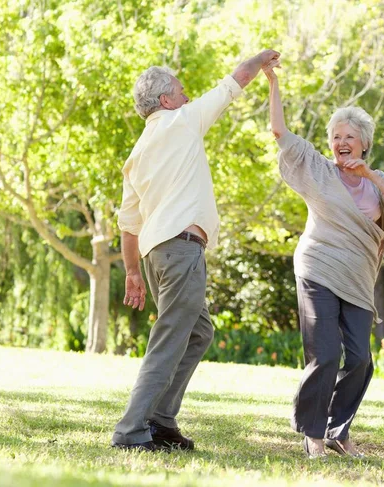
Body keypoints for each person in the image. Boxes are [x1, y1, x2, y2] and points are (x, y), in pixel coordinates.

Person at [112, 49, 281, 452]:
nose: (188, 96)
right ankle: (131, 431)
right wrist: (260, 60)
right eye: (182, 91)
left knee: (199, 332)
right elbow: (233, 82)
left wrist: (133, 273)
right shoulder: (183, 121)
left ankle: (161, 420)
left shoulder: (136, 154)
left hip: (156, 256)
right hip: (180, 250)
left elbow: (128, 225)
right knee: (170, 338)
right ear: (166, 100)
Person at [263, 59, 384, 458]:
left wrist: (371, 175)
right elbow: (280, 131)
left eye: (349, 136)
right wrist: (273, 82)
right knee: (326, 353)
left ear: (364, 142)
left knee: (361, 359)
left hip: (358, 279)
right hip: (317, 268)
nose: (341, 141)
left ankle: (337, 430)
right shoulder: (318, 170)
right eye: (335, 136)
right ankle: (313, 434)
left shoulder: (376, 182)